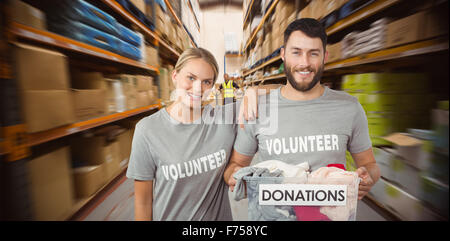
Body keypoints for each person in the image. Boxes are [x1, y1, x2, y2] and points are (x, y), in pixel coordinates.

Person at [224, 18, 380, 201]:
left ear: (325, 57)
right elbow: (235, 165)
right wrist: (236, 176)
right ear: (283, 55)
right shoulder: (258, 108)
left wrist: (367, 177)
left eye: (313, 53)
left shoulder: (349, 107)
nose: (304, 63)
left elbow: (370, 165)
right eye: (296, 52)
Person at [126, 48, 273, 221]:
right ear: (175, 76)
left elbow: (284, 92)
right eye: (191, 78)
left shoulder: (223, 118)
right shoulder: (148, 130)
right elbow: (143, 203)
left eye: (206, 82)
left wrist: (254, 91)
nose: (198, 88)